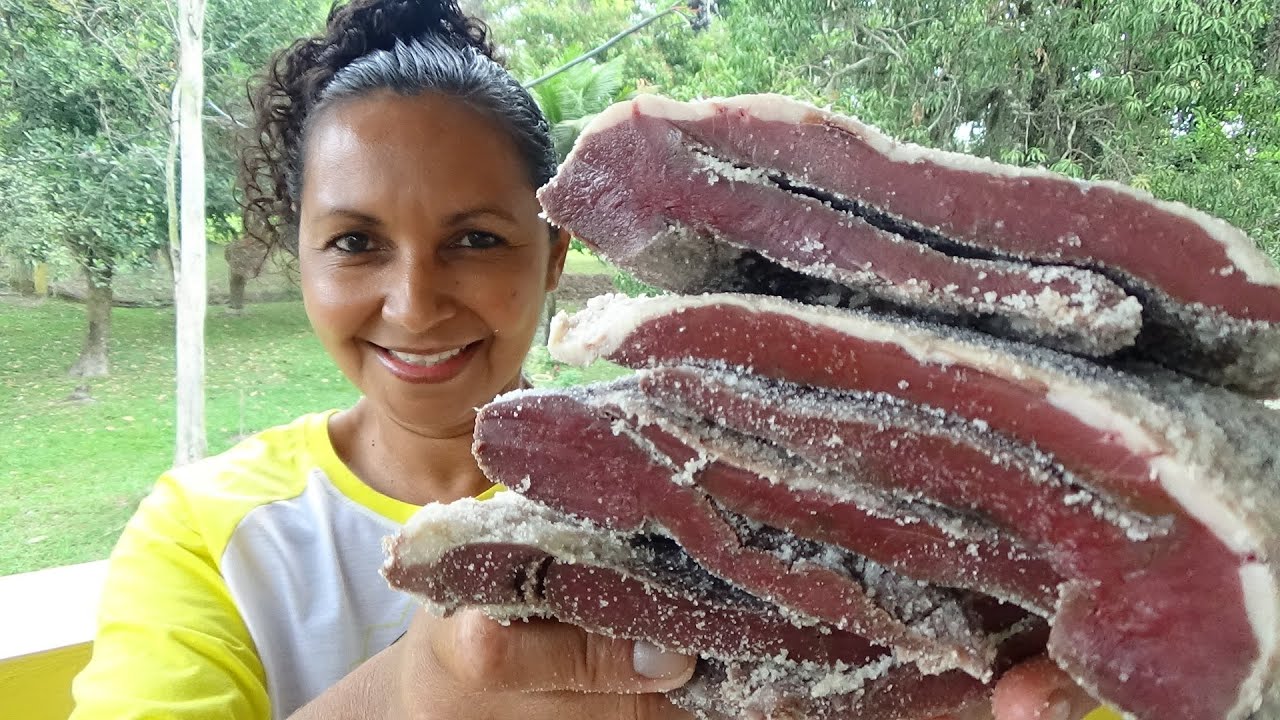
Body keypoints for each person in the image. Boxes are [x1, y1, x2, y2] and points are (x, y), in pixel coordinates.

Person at [69, 1, 1100, 719]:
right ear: (296, 253)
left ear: (553, 254)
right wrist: (415, 698)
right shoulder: (212, 540)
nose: (414, 300)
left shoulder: (706, 479)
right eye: (353, 241)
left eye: (475, 238)